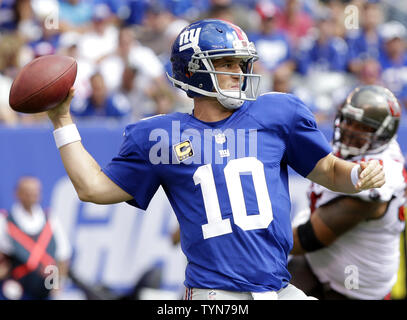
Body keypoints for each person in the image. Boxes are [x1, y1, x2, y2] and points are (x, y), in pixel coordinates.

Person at [46, 19, 385, 300]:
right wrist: (62, 121)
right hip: (216, 295)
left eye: (240, 63)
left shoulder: (278, 113)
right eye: (226, 63)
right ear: (194, 72)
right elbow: (92, 188)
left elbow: (326, 169)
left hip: (277, 288)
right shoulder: (162, 135)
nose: (239, 72)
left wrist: (356, 176)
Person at [289, 85, 406, 300]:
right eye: (348, 120)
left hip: (355, 288)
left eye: (362, 127)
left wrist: (255, 240)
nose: (350, 129)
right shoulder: (364, 148)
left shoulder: (376, 179)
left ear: (382, 134)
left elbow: (309, 238)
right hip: (322, 266)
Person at [0, 176, 72, 300]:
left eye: (34, 192)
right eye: (27, 192)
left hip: (45, 290)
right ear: (18, 193)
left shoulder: (50, 219)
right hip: (16, 290)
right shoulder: (5, 222)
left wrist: (58, 283)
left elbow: (63, 256)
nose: (31, 195)